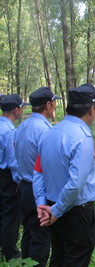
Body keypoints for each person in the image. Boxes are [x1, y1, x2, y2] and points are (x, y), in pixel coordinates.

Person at [32, 84, 95, 266]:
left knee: (58, 256)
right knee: (75, 260)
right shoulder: (82, 137)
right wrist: (56, 211)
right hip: (76, 213)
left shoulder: (50, 133)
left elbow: (38, 171)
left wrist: (42, 204)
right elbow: (76, 183)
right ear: (92, 109)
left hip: (53, 207)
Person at [14, 87, 62, 266]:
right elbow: (49, 164)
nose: (55, 106)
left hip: (24, 187)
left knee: (28, 232)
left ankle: (25, 263)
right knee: (41, 238)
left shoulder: (22, 126)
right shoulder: (45, 130)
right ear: (48, 105)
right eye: (54, 103)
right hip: (39, 191)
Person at [0, 94, 28, 261]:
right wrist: (19, 182)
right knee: (11, 217)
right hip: (6, 178)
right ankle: (10, 254)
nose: (23, 111)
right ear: (16, 110)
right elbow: (13, 162)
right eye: (22, 108)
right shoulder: (10, 132)